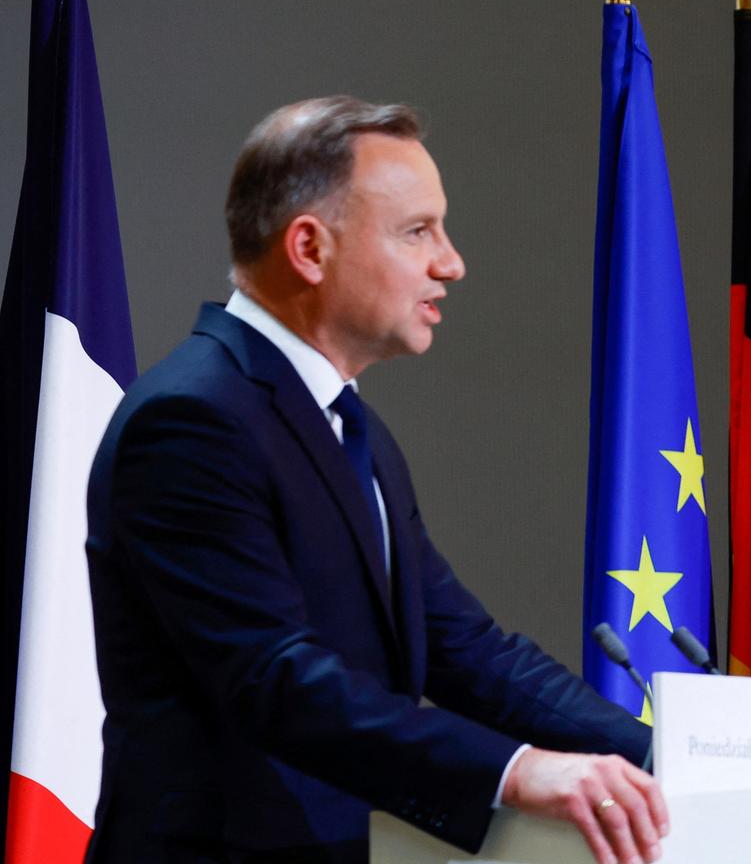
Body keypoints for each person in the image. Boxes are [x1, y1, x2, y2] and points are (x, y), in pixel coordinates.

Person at [85, 97, 670, 864]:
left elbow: (468, 651)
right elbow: (276, 679)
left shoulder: (352, 429)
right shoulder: (191, 421)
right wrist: (516, 771)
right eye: (417, 231)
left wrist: (666, 760)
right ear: (309, 248)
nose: (450, 262)